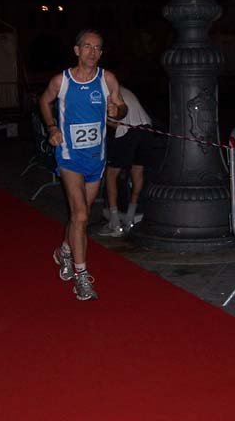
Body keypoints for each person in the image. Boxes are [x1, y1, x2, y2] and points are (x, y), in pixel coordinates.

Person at [39, 29, 127, 301]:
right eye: (87, 47)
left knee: (82, 215)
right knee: (79, 216)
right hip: (69, 157)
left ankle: (64, 251)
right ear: (77, 50)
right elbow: (44, 101)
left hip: (96, 159)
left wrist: (117, 110)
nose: (93, 52)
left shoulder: (107, 79)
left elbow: (121, 107)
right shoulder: (62, 81)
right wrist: (52, 127)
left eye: (98, 48)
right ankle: (81, 277)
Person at [97, 86, 153, 237]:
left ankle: (114, 222)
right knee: (137, 171)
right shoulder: (122, 89)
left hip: (128, 129)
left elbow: (115, 123)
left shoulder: (102, 92)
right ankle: (130, 218)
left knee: (111, 174)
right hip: (147, 128)